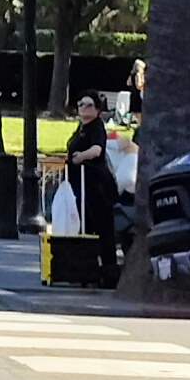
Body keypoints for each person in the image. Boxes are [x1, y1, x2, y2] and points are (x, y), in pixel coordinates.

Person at [67, 95, 124, 290]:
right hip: (80, 184)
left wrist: (82, 156)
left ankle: (108, 273)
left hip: (96, 185)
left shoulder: (96, 127)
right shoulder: (81, 128)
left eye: (89, 105)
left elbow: (97, 149)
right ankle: (88, 270)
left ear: (97, 109)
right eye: (81, 104)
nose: (84, 108)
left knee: (103, 229)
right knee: (86, 227)